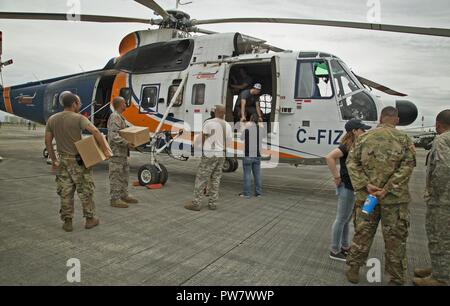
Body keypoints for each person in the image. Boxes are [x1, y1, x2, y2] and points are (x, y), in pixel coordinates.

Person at [345, 106, 416, 285]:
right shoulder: (405, 139)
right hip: (394, 200)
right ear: (397, 120)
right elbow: (408, 166)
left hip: (368, 198)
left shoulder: (364, 138)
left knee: (363, 233)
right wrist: (388, 188)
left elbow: (351, 162)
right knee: (395, 239)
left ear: (380, 118)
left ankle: (353, 268)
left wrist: (365, 184)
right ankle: (396, 278)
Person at [45, 91, 111, 232]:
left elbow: (48, 142)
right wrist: (105, 149)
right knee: (85, 190)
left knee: (65, 192)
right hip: (77, 161)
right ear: (74, 103)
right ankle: (90, 219)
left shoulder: (52, 119)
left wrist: (54, 160)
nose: (80, 105)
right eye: (79, 102)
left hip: (62, 161)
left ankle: (67, 222)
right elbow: (96, 132)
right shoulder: (79, 118)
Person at [413, 109, 450, 286]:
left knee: (439, 237)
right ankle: (440, 267)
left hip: (443, 201)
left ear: (438, 124)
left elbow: (443, 169)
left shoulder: (442, 139)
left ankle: (440, 278)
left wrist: (435, 193)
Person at [325, 118, 371, 261]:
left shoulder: (356, 145)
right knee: (341, 219)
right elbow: (329, 157)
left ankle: (344, 246)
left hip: (352, 187)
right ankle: (334, 249)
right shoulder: (346, 146)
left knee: (346, 219)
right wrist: (336, 177)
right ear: (354, 131)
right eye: (362, 129)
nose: (364, 131)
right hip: (347, 187)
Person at [185, 105, 232, 211]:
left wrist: (199, 147)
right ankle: (213, 203)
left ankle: (196, 204)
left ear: (215, 111)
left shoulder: (209, 123)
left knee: (202, 178)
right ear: (223, 113)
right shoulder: (228, 126)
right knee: (215, 179)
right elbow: (228, 143)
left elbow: (202, 139)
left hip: (210, 153)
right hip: (221, 154)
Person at [107, 96, 138, 209]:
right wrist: (127, 143)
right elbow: (113, 136)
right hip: (116, 153)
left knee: (124, 174)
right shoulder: (115, 117)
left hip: (122, 153)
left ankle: (123, 195)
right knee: (116, 175)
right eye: (124, 103)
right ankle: (115, 199)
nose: (126, 104)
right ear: (120, 104)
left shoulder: (120, 117)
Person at [239, 113, 266, 198]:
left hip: (248, 155)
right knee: (257, 175)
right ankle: (258, 193)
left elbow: (241, 138)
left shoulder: (247, 129)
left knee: (247, 175)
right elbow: (264, 135)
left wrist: (243, 125)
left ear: (250, 120)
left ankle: (246, 193)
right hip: (257, 155)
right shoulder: (261, 130)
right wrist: (261, 123)